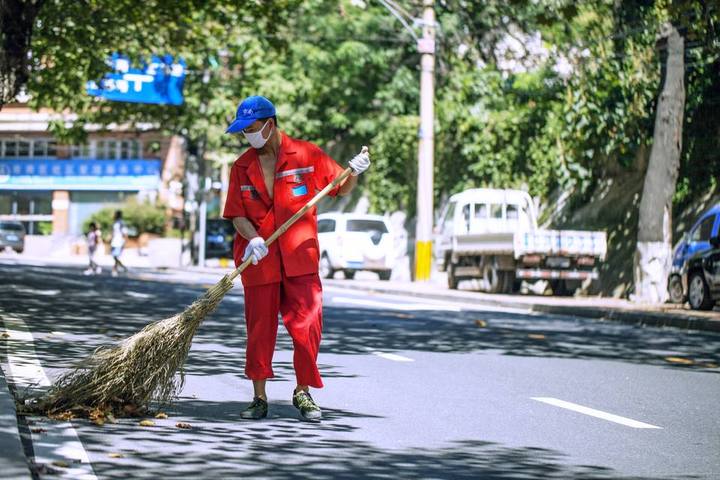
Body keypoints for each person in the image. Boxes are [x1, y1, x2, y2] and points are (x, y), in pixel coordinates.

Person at [223, 95, 370, 421]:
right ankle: (259, 397)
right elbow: (236, 215)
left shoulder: (306, 155)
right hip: (258, 257)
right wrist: (254, 238)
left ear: (269, 125)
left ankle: (303, 391)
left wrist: (355, 173)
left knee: (307, 325)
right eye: (243, 130)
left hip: (299, 257)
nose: (246, 135)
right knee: (259, 329)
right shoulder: (242, 167)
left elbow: (340, 187)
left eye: (251, 128)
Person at [110, 210, 128, 277]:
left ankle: (114, 270)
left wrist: (125, 242)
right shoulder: (115, 223)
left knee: (116, 256)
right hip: (114, 242)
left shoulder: (121, 223)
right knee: (114, 256)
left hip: (119, 242)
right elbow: (113, 232)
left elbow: (125, 233)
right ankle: (123, 267)